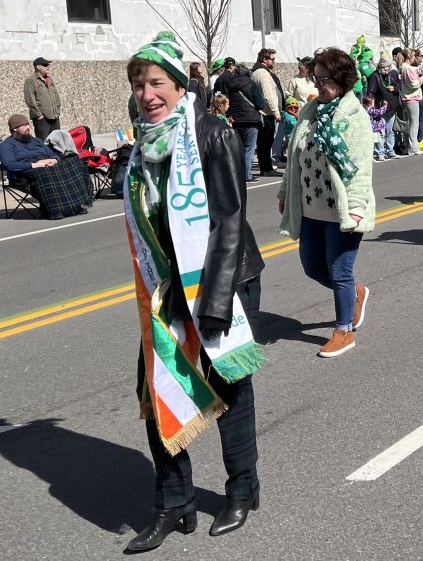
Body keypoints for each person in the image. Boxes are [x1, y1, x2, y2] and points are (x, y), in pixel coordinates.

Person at [122, 32, 266, 552]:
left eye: (157, 82)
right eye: (139, 84)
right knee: (156, 386)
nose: (147, 94)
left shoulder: (213, 134)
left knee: (229, 386)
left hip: (223, 280)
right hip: (167, 285)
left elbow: (229, 219)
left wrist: (216, 301)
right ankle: (173, 502)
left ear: (180, 86)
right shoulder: (142, 145)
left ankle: (243, 489)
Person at [277, 47, 375, 358]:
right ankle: (355, 294)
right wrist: (284, 193)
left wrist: (356, 205)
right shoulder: (309, 111)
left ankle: (344, 331)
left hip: (341, 209)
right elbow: (294, 158)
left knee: (339, 270)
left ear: (342, 81)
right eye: (315, 78)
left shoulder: (354, 117)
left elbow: (360, 167)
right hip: (310, 207)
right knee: (312, 267)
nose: (318, 85)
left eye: (324, 80)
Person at [214, 59, 265, 182]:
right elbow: (260, 104)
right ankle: (246, 175)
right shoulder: (252, 85)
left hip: (236, 120)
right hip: (251, 121)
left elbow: (228, 103)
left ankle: (237, 174)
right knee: (249, 148)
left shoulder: (231, 86)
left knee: (239, 148)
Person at [250, 48, 284, 177]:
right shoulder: (262, 73)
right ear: (265, 59)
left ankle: (266, 168)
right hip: (265, 113)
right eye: (273, 59)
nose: (275, 62)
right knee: (265, 142)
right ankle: (267, 169)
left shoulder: (260, 72)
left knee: (264, 142)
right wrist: (276, 111)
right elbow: (268, 94)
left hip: (265, 112)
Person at [0, 113, 58, 180]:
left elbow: (53, 155)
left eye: (28, 124)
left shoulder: (36, 141)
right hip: (27, 174)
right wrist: (35, 165)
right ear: (15, 128)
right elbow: (9, 165)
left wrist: (54, 160)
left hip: (48, 166)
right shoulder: (6, 145)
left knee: (68, 164)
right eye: (25, 125)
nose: (28, 128)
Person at [366, 57, 402, 160]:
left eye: (390, 66)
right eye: (388, 66)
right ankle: (380, 153)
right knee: (380, 132)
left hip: (391, 107)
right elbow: (370, 93)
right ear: (382, 67)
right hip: (380, 108)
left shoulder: (393, 73)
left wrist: (395, 88)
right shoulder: (374, 76)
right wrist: (372, 109)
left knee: (390, 131)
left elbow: (400, 85)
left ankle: (390, 151)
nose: (390, 68)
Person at [399, 48, 423, 155]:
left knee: (411, 123)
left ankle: (410, 147)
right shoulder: (407, 68)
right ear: (409, 56)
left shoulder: (406, 67)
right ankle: (414, 148)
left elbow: (417, 69)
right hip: (411, 98)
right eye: (413, 56)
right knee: (414, 123)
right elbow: (413, 84)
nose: (414, 58)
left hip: (409, 98)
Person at [24, 56, 62, 140]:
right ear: (38, 67)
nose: (47, 67)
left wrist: (58, 111)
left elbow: (56, 95)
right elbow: (30, 99)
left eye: (48, 65)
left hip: (54, 116)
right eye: (45, 65)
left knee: (56, 142)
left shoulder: (49, 78)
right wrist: (39, 115)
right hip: (42, 119)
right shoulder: (30, 80)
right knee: (43, 142)